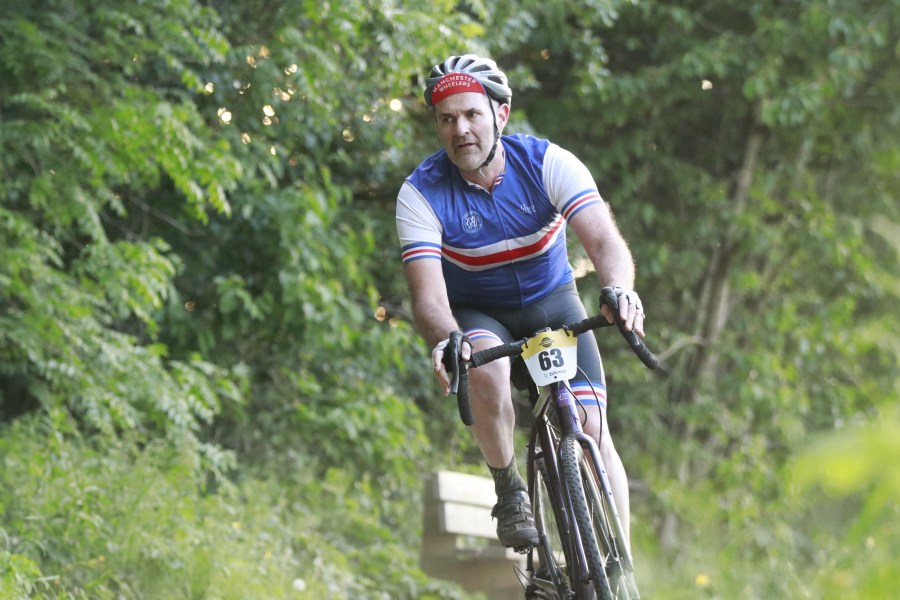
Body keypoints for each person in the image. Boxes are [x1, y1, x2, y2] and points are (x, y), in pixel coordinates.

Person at [396, 54, 645, 550]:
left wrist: (618, 287)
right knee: (484, 366)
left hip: (554, 303)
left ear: (501, 115)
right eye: (447, 119)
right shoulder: (420, 193)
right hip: (479, 314)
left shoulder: (547, 163)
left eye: (472, 114)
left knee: (593, 429)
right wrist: (449, 339)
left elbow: (603, 241)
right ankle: (509, 488)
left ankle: (624, 572)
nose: (460, 130)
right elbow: (428, 299)